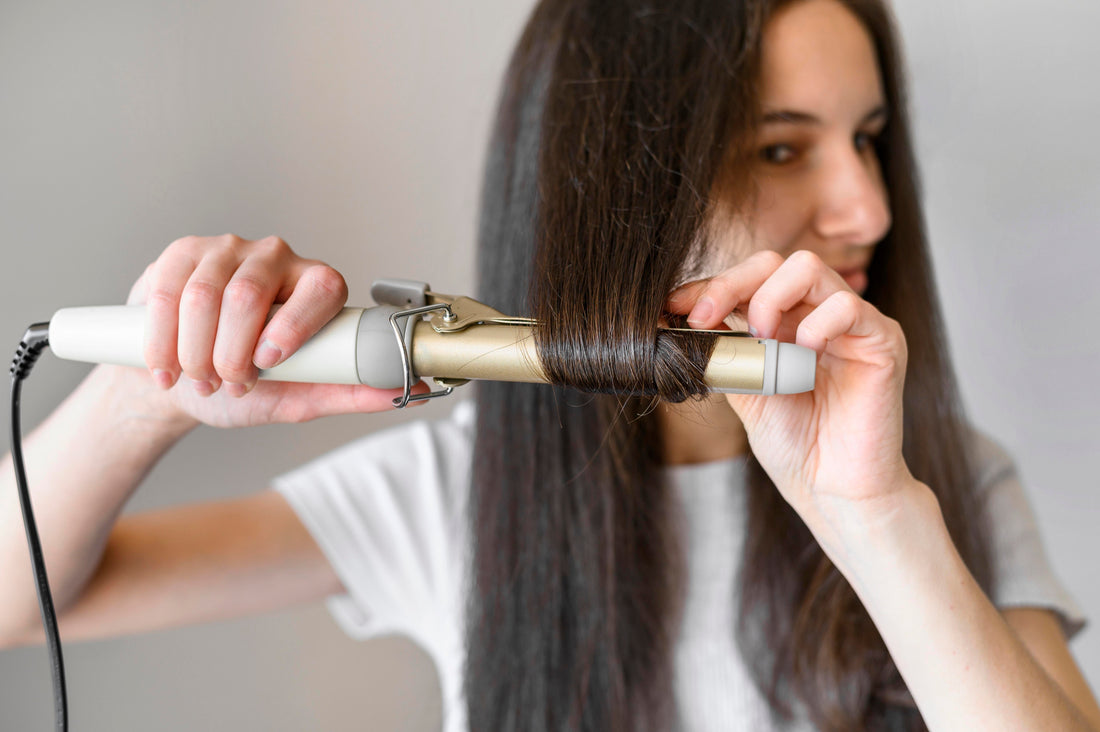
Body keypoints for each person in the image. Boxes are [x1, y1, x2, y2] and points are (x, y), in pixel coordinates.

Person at [1, 0, 1097, 730]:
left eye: (866, 139)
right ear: (624, 183)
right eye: (779, 148)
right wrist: (145, 391)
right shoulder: (456, 491)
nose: (869, 208)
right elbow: (22, 601)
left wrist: (874, 521)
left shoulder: (936, 486)